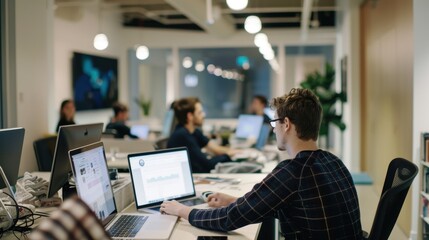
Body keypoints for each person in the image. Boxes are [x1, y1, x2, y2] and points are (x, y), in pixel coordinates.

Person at [160, 89, 362, 239]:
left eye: (275, 123)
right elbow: (291, 205)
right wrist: (233, 200)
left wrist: (181, 210)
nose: (274, 130)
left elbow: (230, 219)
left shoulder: (292, 172)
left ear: (287, 124)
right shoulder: (334, 162)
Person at [167, 97, 238, 173]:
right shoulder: (182, 135)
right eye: (200, 112)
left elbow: (215, 149)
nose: (204, 115)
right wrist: (227, 155)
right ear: (190, 116)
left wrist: (237, 151)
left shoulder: (194, 131)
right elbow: (207, 165)